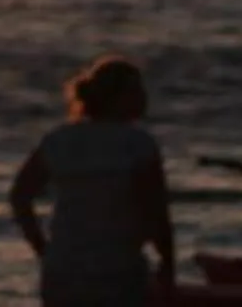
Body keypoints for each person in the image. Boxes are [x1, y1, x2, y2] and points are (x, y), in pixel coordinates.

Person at [9, 56, 177, 307]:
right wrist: (167, 262)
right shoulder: (138, 144)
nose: (144, 97)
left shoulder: (59, 140)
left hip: (64, 269)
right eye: (136, 90)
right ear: (116, 97)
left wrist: (43, 248)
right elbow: (156, 211)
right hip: (117, 270)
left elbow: (20, 196)